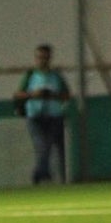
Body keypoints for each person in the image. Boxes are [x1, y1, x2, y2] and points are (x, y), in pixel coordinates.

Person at [12, 43, 70, 185]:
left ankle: (41, 174)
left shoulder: (56, 76)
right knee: (41, 145)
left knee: (48, 145)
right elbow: (18, 94)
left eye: (45, 57)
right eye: (40, 57)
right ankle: (42, 173)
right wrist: (33, 94)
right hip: (35, 116)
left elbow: (66, 94)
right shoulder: (30, 75)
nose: (42, 60)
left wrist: (52, 95)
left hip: (54, 115)